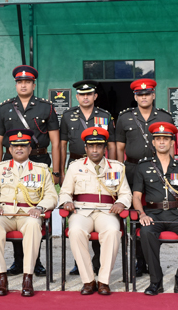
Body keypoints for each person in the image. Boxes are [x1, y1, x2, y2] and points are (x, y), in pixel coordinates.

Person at [0, 65, 60, 276]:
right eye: (20, 82)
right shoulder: (5, 108)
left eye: (27, 82)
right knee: (14, 203)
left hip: (39, 159)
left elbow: (56, 142)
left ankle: (35, 261)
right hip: (11, 161)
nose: (23, 85)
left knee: (32, 207)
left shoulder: (46, 107)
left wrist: (56, 171)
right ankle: (17, 261)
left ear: (33, 84)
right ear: (16, 84)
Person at [0, 129, 58, 297]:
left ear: (29, 149)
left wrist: (39, 208)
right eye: (15, 146)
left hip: (29, 214)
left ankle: (27, 277)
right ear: (10, 150)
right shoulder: (0, 169)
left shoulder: (41, 169)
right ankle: (1, 277)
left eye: (23, 146)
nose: (19, 149)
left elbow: (51, 196)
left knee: (33, 225)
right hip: (6, 213)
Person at [58, 127, 131, 295]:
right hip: (82, 211)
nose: (95, 150)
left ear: (105, 148)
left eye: (99, 146)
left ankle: (104, 281)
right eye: (91, 146)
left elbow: (126, 193)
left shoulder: (117, 167)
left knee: (112, 231)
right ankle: (88, 280)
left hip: (107, 212)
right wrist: (67, 201)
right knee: (75, 231)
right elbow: (65, 192)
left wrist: (121, 203)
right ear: (86, 148)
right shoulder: (75, 167)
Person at [132, 122, 178, 297]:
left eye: (165, 139)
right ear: (153, 143)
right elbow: (137, 196)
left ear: (172, 143)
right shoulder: (143, 166)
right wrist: (142, 214)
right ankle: (156, 281)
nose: (162, 142)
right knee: (146, 232)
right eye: (158, 139)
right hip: (153, 214)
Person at [116, 79, 173, 276]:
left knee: (156, 214)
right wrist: (120, 173)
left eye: (147, 94)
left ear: (153, 95)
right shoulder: (125, 118)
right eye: (140, 95)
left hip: (159, 172)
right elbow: (119, 148)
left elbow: (171, 146)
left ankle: (153, 260)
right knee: (137, 217)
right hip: (132, 170)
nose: (144, 97)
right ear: (135, 97)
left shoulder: (165, 116)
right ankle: (139, 261)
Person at [59, 80, 115, 275]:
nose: (85, 97)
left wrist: (113, 168)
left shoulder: (105, 116)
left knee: (100, 207)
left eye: (89, 94)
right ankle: (79, 262)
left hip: (101, 167)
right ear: (77, 97)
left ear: (95, 96)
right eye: (82, 94)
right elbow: (62, 145)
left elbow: (112, 144)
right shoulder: (68, 116)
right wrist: (60, 171)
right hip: (76, 165)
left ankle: (98, 261)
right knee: (77, 211)